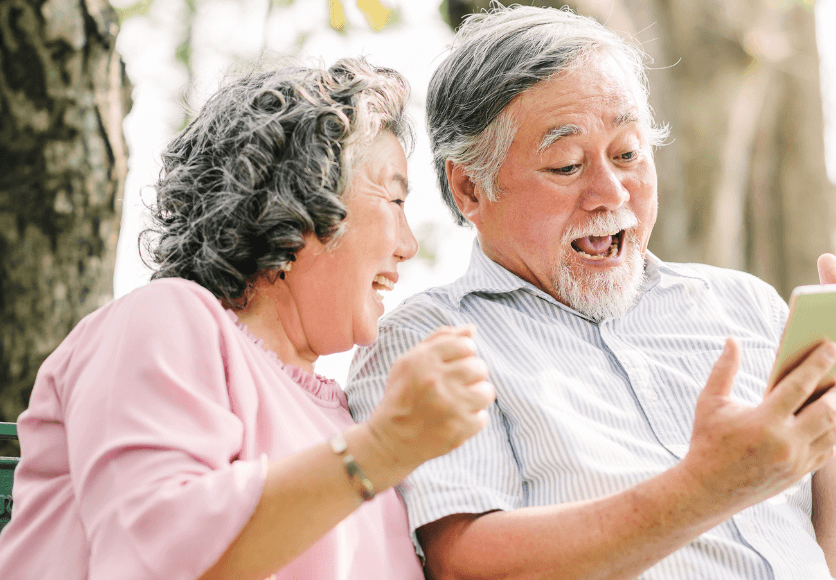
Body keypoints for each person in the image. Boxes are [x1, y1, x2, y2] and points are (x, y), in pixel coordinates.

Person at [348, 6, 836, 580]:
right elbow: (466, 564)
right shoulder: (424, 345)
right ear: (470, 187)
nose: (610, 191)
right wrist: (703, 489)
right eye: (567, 165)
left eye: (628, 153)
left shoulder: (747, 306)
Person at [0, 58, 494, 580]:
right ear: (303, 193)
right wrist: (385, 448)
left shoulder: (347, 420)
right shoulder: (165, 318)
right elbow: (157, 557)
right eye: (393, 198)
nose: (408, 245)